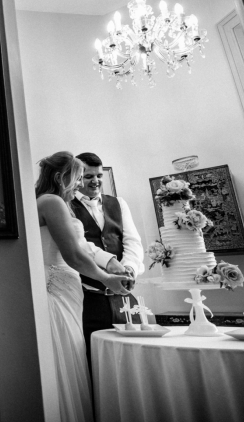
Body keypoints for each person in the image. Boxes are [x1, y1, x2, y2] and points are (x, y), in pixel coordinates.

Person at [36, 151, 130, 422]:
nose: (80, 184)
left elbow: (82, 249)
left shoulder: (54, 202)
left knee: (70, 352)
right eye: (78, 178)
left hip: (67, 287)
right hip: (56, 286)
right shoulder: (51, 201)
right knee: (63, 354)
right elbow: (73, 255)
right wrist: (106, 278)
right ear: (59, 177)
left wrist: (111, 263)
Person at [71, 152, 145, 369]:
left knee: (133, 359)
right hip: (88, 298)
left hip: (124, 298)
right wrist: (110, 264)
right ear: (77, 178)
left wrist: (128, 269)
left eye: (99, 175)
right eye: (88, 176)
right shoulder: (65, 204)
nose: (95, 181)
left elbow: (132, 241)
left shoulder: (118, 203)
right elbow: (79, 244)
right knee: (95, 360)